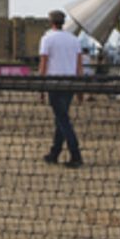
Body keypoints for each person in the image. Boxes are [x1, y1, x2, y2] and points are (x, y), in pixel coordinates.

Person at [38, 9, 84, 167]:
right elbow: (79, 67)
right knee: (61, 118)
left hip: (54, 82)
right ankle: (54, 153)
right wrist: (80, 89)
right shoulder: (74, 39)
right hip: (70, 82)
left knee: (63, 119)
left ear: (50, 22)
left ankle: (76, 155)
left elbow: (43, 64)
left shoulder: (47, 39)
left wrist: (41, 88)